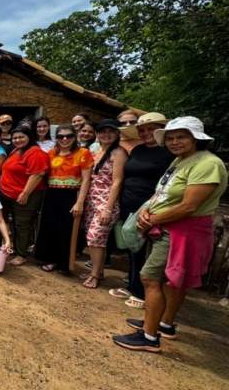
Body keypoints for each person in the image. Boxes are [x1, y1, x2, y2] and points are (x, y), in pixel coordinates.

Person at [112, 116, 227, 353]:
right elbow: (163, 192)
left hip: (182, 230)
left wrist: (152, 219)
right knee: (171, 280)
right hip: (167, 226)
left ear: (196, 138)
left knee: (150, 277)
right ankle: (162, 323)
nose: (174, 142)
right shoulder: (181, 160)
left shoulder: (208, 164)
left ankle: (149, 337)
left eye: (181, 137)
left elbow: (189, 206)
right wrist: (147, 210)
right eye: (171, 138)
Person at [110, 112, 170, 308]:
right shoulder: (138, 150)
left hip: (150, 207)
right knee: (132, 246)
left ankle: (144, 292)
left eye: (151, 129)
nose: (146, 133)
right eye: (142, 130)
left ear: (161, 131)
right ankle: (132, 284)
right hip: (129, 203)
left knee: (147, 250)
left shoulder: (169, 153)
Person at [34, 124, 93, 273]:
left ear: (75, 137)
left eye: (69, 136)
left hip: (71, 195)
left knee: (66, 230)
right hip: (52, 194)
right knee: (50, 227)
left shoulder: (83, 153)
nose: (65, 139)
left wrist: (79, 202)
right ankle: (50, 259)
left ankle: (64, 263)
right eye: (61, 136)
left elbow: (86, 179)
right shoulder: (51, 153)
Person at [82, 120, 127, 288]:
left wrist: (108, 208)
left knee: (95, 237)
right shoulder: (97, 151)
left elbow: (117, 181)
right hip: (91, 200)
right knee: (96, 239)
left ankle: (94, 275)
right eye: (102, 131)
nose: (106, 135)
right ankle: (98, 271)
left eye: (110, 131)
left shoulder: (118, 153)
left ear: (117, 133)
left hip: (107, 202)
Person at [0, 122, 48, 265]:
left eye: (21, 137)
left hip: (24, 195)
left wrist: (25, 193)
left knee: (22, 225)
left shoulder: (35, 152)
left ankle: (21, 254)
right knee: (9, 222)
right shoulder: (17, 150)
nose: (18, 140)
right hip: (7, 193)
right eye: (15, 138)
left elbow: (37, 174)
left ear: (29, 137)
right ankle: (10, 247)